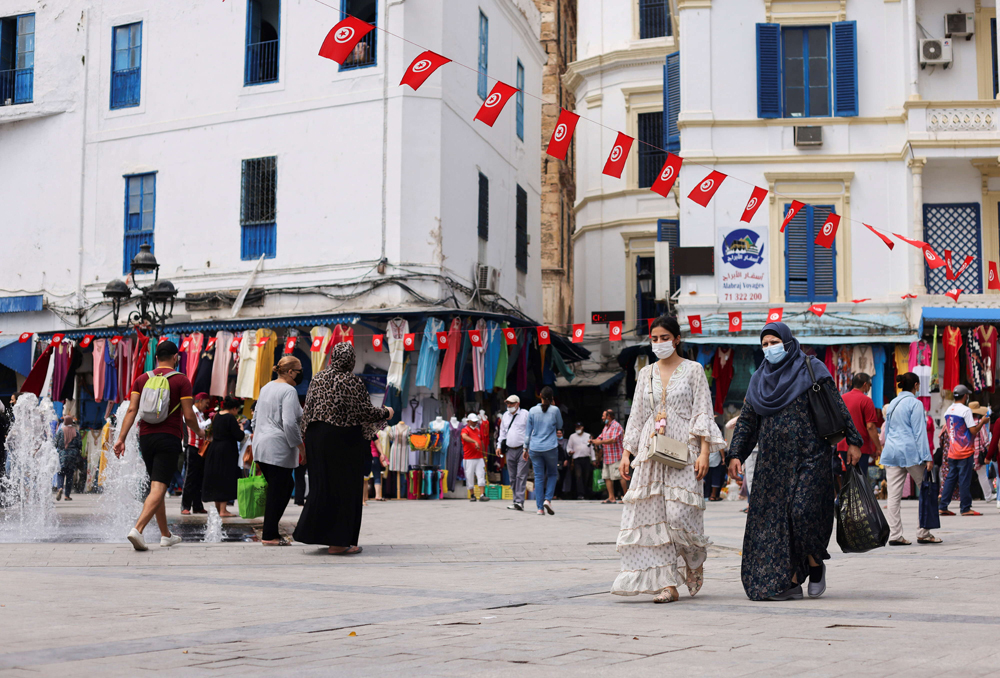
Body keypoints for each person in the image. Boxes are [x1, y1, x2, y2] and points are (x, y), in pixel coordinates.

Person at [728, 322, 864, 601]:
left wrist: (853, 441)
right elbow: (747, 421)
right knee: (778, 522)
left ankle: (815, 565)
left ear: (788, 342)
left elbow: (837, 405)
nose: (769, 349)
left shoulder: (811, 368)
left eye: (774, 342)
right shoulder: (758, 380)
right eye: (764, 344)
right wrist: (736, 454)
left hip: (811, 456)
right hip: (772, 463)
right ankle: (789, 581)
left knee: (802, 513)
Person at [612, 316, 724, 603]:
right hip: (651, 452)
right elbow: (636, 415)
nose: (659, 343)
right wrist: (627, 453)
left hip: (683, 450)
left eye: (664, 337)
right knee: (656, 518)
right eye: (654, 338)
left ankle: (692, 559)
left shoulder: (694, 370)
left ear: (676, 339)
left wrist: (703, 452)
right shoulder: (645, 373)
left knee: (678, 515)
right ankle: (668, 584)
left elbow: (702, 411)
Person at [293, 342, 392, 555]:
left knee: (322, 487)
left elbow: (307, 411)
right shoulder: (352, 381)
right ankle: (338, 543)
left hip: (316, 439)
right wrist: (386, 412)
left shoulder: (318, 379)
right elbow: (364, 412)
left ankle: (320, 535)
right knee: (345, 489)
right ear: (351, 360)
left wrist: (304, 445)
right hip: (342, 441)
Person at [114, 341, 203, 551]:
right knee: (159, 486)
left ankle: (166, 535)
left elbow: (131, 410)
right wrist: (200, 432)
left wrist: (121, 438)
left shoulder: (142, 379)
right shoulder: (182, 380)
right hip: (168, 437)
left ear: (156, 358)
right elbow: (189, 415)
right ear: (175, 357)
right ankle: (138, 529)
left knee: (157, 484)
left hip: (146, 438)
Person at [881, 372, 940, 545]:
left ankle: (895, 535)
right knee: (926, 491)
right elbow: (919, 432)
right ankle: (923, 532)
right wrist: (927, 456)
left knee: (893, 496)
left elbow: (888, 430)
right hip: (910, 452)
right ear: (915, 385)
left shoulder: (892, 403)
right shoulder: (915, 403)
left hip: (891, 452)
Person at [252, 356, 304, 546]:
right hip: (277, 447)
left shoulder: (266, 387)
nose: (301, 373)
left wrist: (258, 436)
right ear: (290, 372)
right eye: (299, 370)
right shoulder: (288, 390)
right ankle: (269, 535)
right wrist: (301, 446)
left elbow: (254, 418)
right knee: (280, 489)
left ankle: (270, 532)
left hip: (262, 445)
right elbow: (290, 423)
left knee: (281, 488)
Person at [939, 385, 987, 517]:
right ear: (965, 396)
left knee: (950, 478)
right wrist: (982, 422)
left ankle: (943, 506)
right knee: (964, 479)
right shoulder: (966, 411)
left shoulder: (948, 410)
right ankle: (965, 508)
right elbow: (973, 431)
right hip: (965, 451)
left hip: (952, 451)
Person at [202, 396, 246, 517]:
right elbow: (239, 436)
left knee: (217, 477)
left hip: (214, 449)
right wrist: (240, 428)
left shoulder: (216, 416)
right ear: (234, 408)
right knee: (226, 477)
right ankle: (223, 510)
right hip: (227, 451)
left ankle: (218, 509)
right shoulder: (230, 417)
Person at [524, 386, 563, 515]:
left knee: (538, 477)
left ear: (540, 395)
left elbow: (528, 433)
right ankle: (548, 499)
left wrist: (525, 448)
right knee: (552, 474)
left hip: (535, 448)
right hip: (550, 447)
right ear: (552, 398)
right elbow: (560, 426)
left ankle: (540, 508)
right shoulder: (555, 410)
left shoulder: (532, 411)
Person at [836, 373, 882, 479]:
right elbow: (870, 427)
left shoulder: (841, 398)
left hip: (843, 444)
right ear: (865, 384)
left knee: (847, 480)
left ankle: (847, 496)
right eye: (870, 385)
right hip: (860, 446)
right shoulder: (866, 401)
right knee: (859, 481)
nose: (869, 388)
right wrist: (878, 447)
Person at [498, 395, 530, 511]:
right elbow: (502, 433)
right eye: (507, 403)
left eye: (511, 403)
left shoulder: (525, 414)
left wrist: (528, 448)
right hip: (509, 449)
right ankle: (515, 500)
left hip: (523, 449)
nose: (509, 406)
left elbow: (531, 431)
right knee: (512, 477)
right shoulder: (505, 416)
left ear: (518, 404)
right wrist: (498, 446)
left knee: (521, 475)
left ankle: (519, 501)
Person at [181, 392, 211, 515]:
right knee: (190, 477)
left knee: (199, 477)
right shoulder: (191, 413)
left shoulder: (200, 414)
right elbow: (198, 426)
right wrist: (211, 421)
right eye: (206, 403)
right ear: (200, 400)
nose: (206, 406)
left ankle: (197, 506)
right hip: (192, 447)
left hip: (200, 448)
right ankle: (185, 506)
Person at [592, 409, 625, 504]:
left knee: (620, 476)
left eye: (603, 416)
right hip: (607, 456)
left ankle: (626, 496)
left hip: (616, 455)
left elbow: (613, 439)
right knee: (607, 477)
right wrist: (594, 441)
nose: (602, 418)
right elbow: (601, 437)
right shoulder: (606, 427)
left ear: (609, 416)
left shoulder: (616, 425)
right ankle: (611, 497)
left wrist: (600, 442)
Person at [462, 413, 489, 502]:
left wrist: (484, 455)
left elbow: (481, 441)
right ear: (468, 421)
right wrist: (474, 442)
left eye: (476, 421)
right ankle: (472, 495)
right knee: (469, 476)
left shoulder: (478, 430)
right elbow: (464, 437)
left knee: (481, 475)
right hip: (469, 458)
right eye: (473, 421)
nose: (474, 423)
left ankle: (482, 495)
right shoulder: (465, 430)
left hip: (479, 457)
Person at [969, 402, 993, 502]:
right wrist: (991, 453)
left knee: (965, 476)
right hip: (978, 453)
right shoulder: (980, 423)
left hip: (967, 452)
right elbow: (985, 441)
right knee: (982, 474)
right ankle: (988, 496)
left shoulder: (967, 423)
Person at [54, 415, 81, 501]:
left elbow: (55, 443)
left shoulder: (61, 431)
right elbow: (80, 444)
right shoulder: (76, 432)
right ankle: (67, 495)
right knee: (69, 475)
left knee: (61, 473)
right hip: (72, 456)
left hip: (62, 455)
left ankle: (60, 488)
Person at [567, 422, 595, 499]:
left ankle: (586, 492)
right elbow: (569, 447)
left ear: (582, 427)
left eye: (579, 427)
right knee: (578, 476)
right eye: (576, 427)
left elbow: (591, 447)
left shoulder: (588, 435)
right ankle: (580, 494)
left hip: (586, 458)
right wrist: (570, 452)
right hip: (577, 459)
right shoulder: (572, 436)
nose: (577, 429)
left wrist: (593, 459)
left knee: (586, 476)